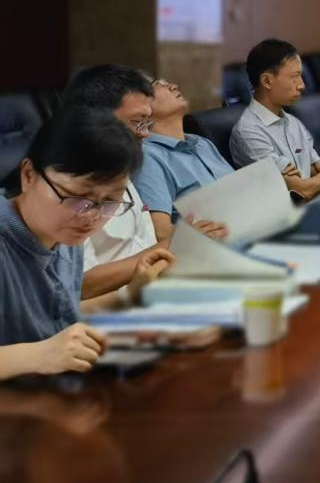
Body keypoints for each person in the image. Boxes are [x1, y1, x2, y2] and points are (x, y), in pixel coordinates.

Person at [0, 109, 173, 380]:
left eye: (110, 201)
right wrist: (37, 354)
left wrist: (130, 295)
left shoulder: (66, 235)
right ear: (29, 175)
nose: (92, 216)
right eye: (77, 196)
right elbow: (42, 344)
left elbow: (54, 317)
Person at [61, 64, 217, 301]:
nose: (144, 134)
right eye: (137, 122)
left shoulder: (121, 165)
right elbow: (80, 286)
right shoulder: (64, 188)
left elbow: (145, 245)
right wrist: (171, 246)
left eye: (146, 123)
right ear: (94, 120)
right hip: (113, 309)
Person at [229, 39, 320, 200]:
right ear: (267, 81)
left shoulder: (294, 123)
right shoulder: (248, 132)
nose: (302, 85)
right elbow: (303, 191)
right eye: (294, 77)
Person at [134, 77, 234, 246]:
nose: (173, 86)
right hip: (208, 248)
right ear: (142, 107)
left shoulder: (202, 143)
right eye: (159, 84)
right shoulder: (148, 156)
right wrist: (193, 234)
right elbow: (160, 232)